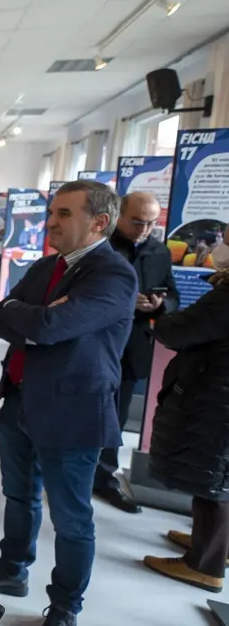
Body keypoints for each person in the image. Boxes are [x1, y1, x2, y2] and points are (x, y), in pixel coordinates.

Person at [0, 180, 137, 626]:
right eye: (52, 212)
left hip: (73, 413)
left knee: (71, 518)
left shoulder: (113, 274)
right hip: (19, 401)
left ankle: (67, 603)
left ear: (99, 222)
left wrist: (33, 318)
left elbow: (51, 326)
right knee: (18, 496)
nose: (50, 222)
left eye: (64, 214)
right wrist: (34, 317)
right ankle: (13, 568)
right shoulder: (46, 267)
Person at [143, 248, 229, 592]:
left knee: (213, 478)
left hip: (217, 396)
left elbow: (179, 331)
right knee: (218, 476)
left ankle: (206, 564)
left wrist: (160, 315)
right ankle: (211, 543)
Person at [94, 192, 179, 513]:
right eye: (138, 221)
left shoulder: (159, 251)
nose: (145, 228)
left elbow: (172, 292)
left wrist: (161, 304)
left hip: (133, 346)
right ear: (118, 215)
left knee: (115, 416)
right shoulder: (100, 246)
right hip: (97, 343)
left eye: (151, 223)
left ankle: (104, 476)